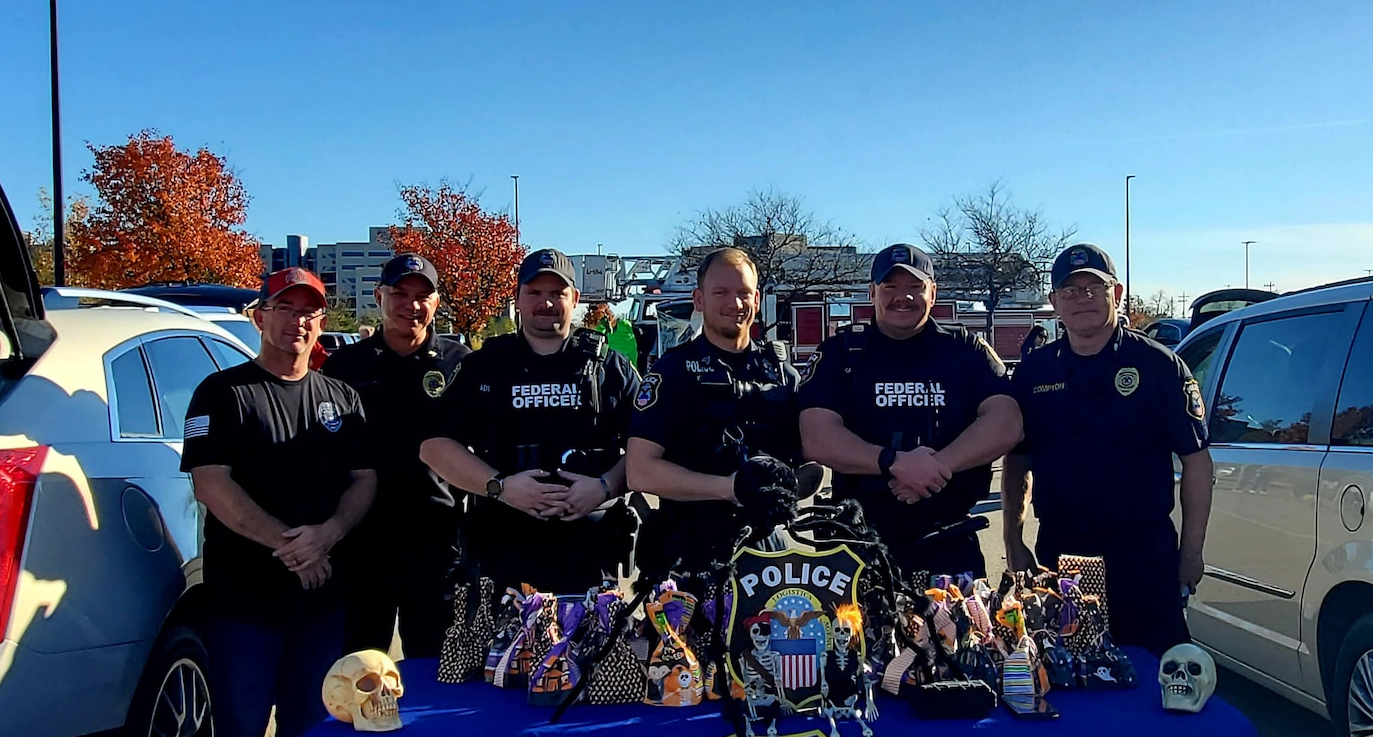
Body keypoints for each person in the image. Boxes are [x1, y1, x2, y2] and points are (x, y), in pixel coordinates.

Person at [181, 267, 375, 737]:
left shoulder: (341, 398)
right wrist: (291, 545)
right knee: (239, 734)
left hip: (320, 604)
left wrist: (330, 533)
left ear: (322, 322)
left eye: (310, 311)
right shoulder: (221, 394)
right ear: (260, 316)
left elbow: (364, 480)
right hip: (244, 605)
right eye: (285, 309)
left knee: (307, 731)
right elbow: (211, 484)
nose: (298, 321)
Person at [1001, 243, 1213, 656]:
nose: (1081, 300)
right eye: (1069, 291)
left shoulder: (1158, 366)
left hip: (1142, 550)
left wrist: (1190, 553)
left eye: (1092, 289)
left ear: (1116, 295)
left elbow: (1197, 463)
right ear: (1053, 303)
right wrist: (1013, 540)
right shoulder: (1035, 371)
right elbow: (1017, 462)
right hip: (1062, 549)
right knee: (1065, 671)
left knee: (1157, 673)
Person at [420, 249, 640, 594]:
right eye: (535, 293)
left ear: (576, 299)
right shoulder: (486, 365)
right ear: (517, 299)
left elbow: (652, 449)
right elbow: (434, 447)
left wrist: (604, 487)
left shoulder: (608, 368)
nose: (546, 303)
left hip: (590, 555)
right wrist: (501, 487)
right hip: (503, 554)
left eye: (557, 293)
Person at [798, 244, 1021, 578]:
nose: (903, 297)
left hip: (950, 541)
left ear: (933, 292)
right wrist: (894, 462)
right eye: (890, 287)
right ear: (872, 292)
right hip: (860, 547)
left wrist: (937, 466)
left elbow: (1007, 421)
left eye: (915, 287)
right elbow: (816, 436)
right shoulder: (842, 353)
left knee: (961, 631)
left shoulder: (964, 350)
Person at [321, 253, 472, 656]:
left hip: (436, 543)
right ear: (379, 297)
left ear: (437, 302)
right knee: (359, 670)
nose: (412, 305)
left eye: (423, 295)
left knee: (434, 671)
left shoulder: (461, 365)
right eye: (400, 294)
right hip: (362, 546)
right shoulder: (345, 367)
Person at [627, 247, 802, 574]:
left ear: (757, 300)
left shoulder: (782, 375)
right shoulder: (671, 374)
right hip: (689, 547)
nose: (734, 304)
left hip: (769, 550)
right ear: (699, 299)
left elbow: (811, 461)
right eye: (720, 292)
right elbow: (640, 470)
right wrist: (727, 488)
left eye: (743, 294)